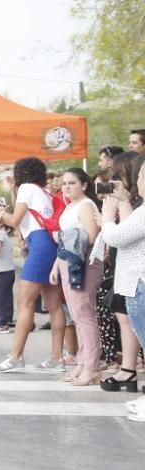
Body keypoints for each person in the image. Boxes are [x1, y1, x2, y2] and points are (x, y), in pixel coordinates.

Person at [0, 157, 66, 373]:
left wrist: (1, 213)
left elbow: (14, 221)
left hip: (39, 245)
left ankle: (15, 357)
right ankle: (56, 358)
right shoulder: (43, 191)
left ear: (20, 173)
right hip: (50, 244)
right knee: (53, 304)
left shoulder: (26, 188)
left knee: (25, 302)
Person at [99, 152, 145, 421]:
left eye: (140, 176)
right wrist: (125, 203)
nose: (137, 181)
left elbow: (117, 236)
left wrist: (107, 216)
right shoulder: (139, 211)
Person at [49, 169, 103, 385]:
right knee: (76, 313)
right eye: (64, 183)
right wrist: (56, 265)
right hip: (68, 261)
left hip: (84, 263)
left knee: (84, 314)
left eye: (72, 183)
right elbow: (68, 242)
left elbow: (91, 237)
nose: (66, 187)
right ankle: (83, 362)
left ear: (84, 185)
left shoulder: (86, 206)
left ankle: (92, 367)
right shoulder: (71, 206)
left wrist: (61, 236)